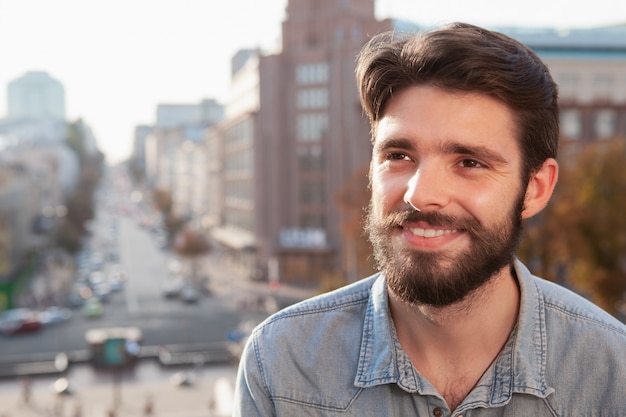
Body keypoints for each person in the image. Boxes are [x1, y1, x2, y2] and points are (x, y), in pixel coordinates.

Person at [233, 22, 626, 416]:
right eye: (398, 156)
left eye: (469, 162)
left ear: (536, 188)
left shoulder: (613, 375)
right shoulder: (282, 365)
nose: (420, 194)